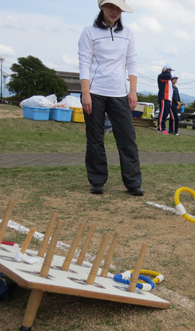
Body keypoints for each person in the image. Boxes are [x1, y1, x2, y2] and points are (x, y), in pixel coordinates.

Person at [78, 0, 144, 196]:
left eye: (118, 8)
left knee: (127, 139)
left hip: (119, 93)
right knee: (95, 138)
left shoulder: (128, 33)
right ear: (102, 7)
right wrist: (86, 92)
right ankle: (97, 181)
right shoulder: (89, 32)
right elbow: (84, 62)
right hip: (95, 91)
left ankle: (133, 182)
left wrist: (132, 91)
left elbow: (132, 62)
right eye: (110, 6)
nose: (114, 11)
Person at [157, 65, 174, 135]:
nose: (170, 72)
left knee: (166, 114)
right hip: (163, 97)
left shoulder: (169, 80)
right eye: (169, 70)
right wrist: (164, 71)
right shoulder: (162, 76)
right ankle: (160, 128)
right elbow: (168, 76)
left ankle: (163, 128)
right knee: (162, 113)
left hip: (168, 98)